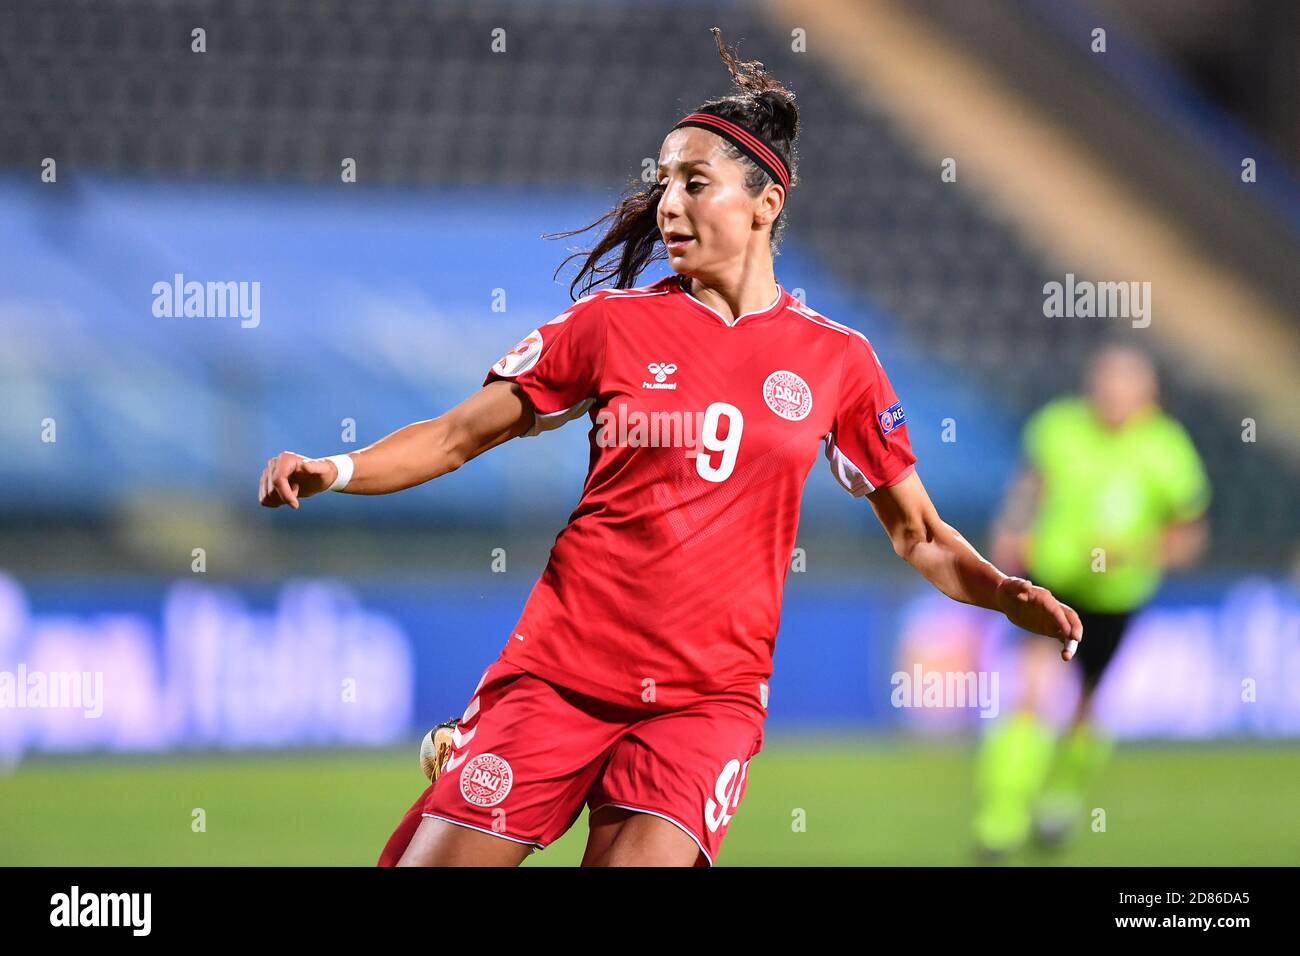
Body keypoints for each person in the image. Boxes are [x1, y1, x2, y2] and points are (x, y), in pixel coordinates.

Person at [258, 29, 1082, 867]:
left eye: (696, 183)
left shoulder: (838, 361)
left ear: (766, 203)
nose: (669, 205)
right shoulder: (610, 326)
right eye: (664, 185)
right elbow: (453, 435)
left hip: (704, 706)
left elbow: (921, 535)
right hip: (559, 678)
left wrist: (1003, 591)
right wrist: (336, 469)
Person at [976, 345, 1210, 856]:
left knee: (1086, 707)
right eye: (1105, 386)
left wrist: (1137, 553)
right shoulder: (1059, 427)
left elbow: (1188, 535)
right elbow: (1030, 485)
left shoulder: (1168, 450)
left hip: (1115, 599)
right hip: (1054, 583)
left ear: (1149, 396)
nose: (1112, 397)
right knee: (1032, 695)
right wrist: (1012, 527)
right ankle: (1002, 818)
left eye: (1125, 388)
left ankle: (1061, 798)